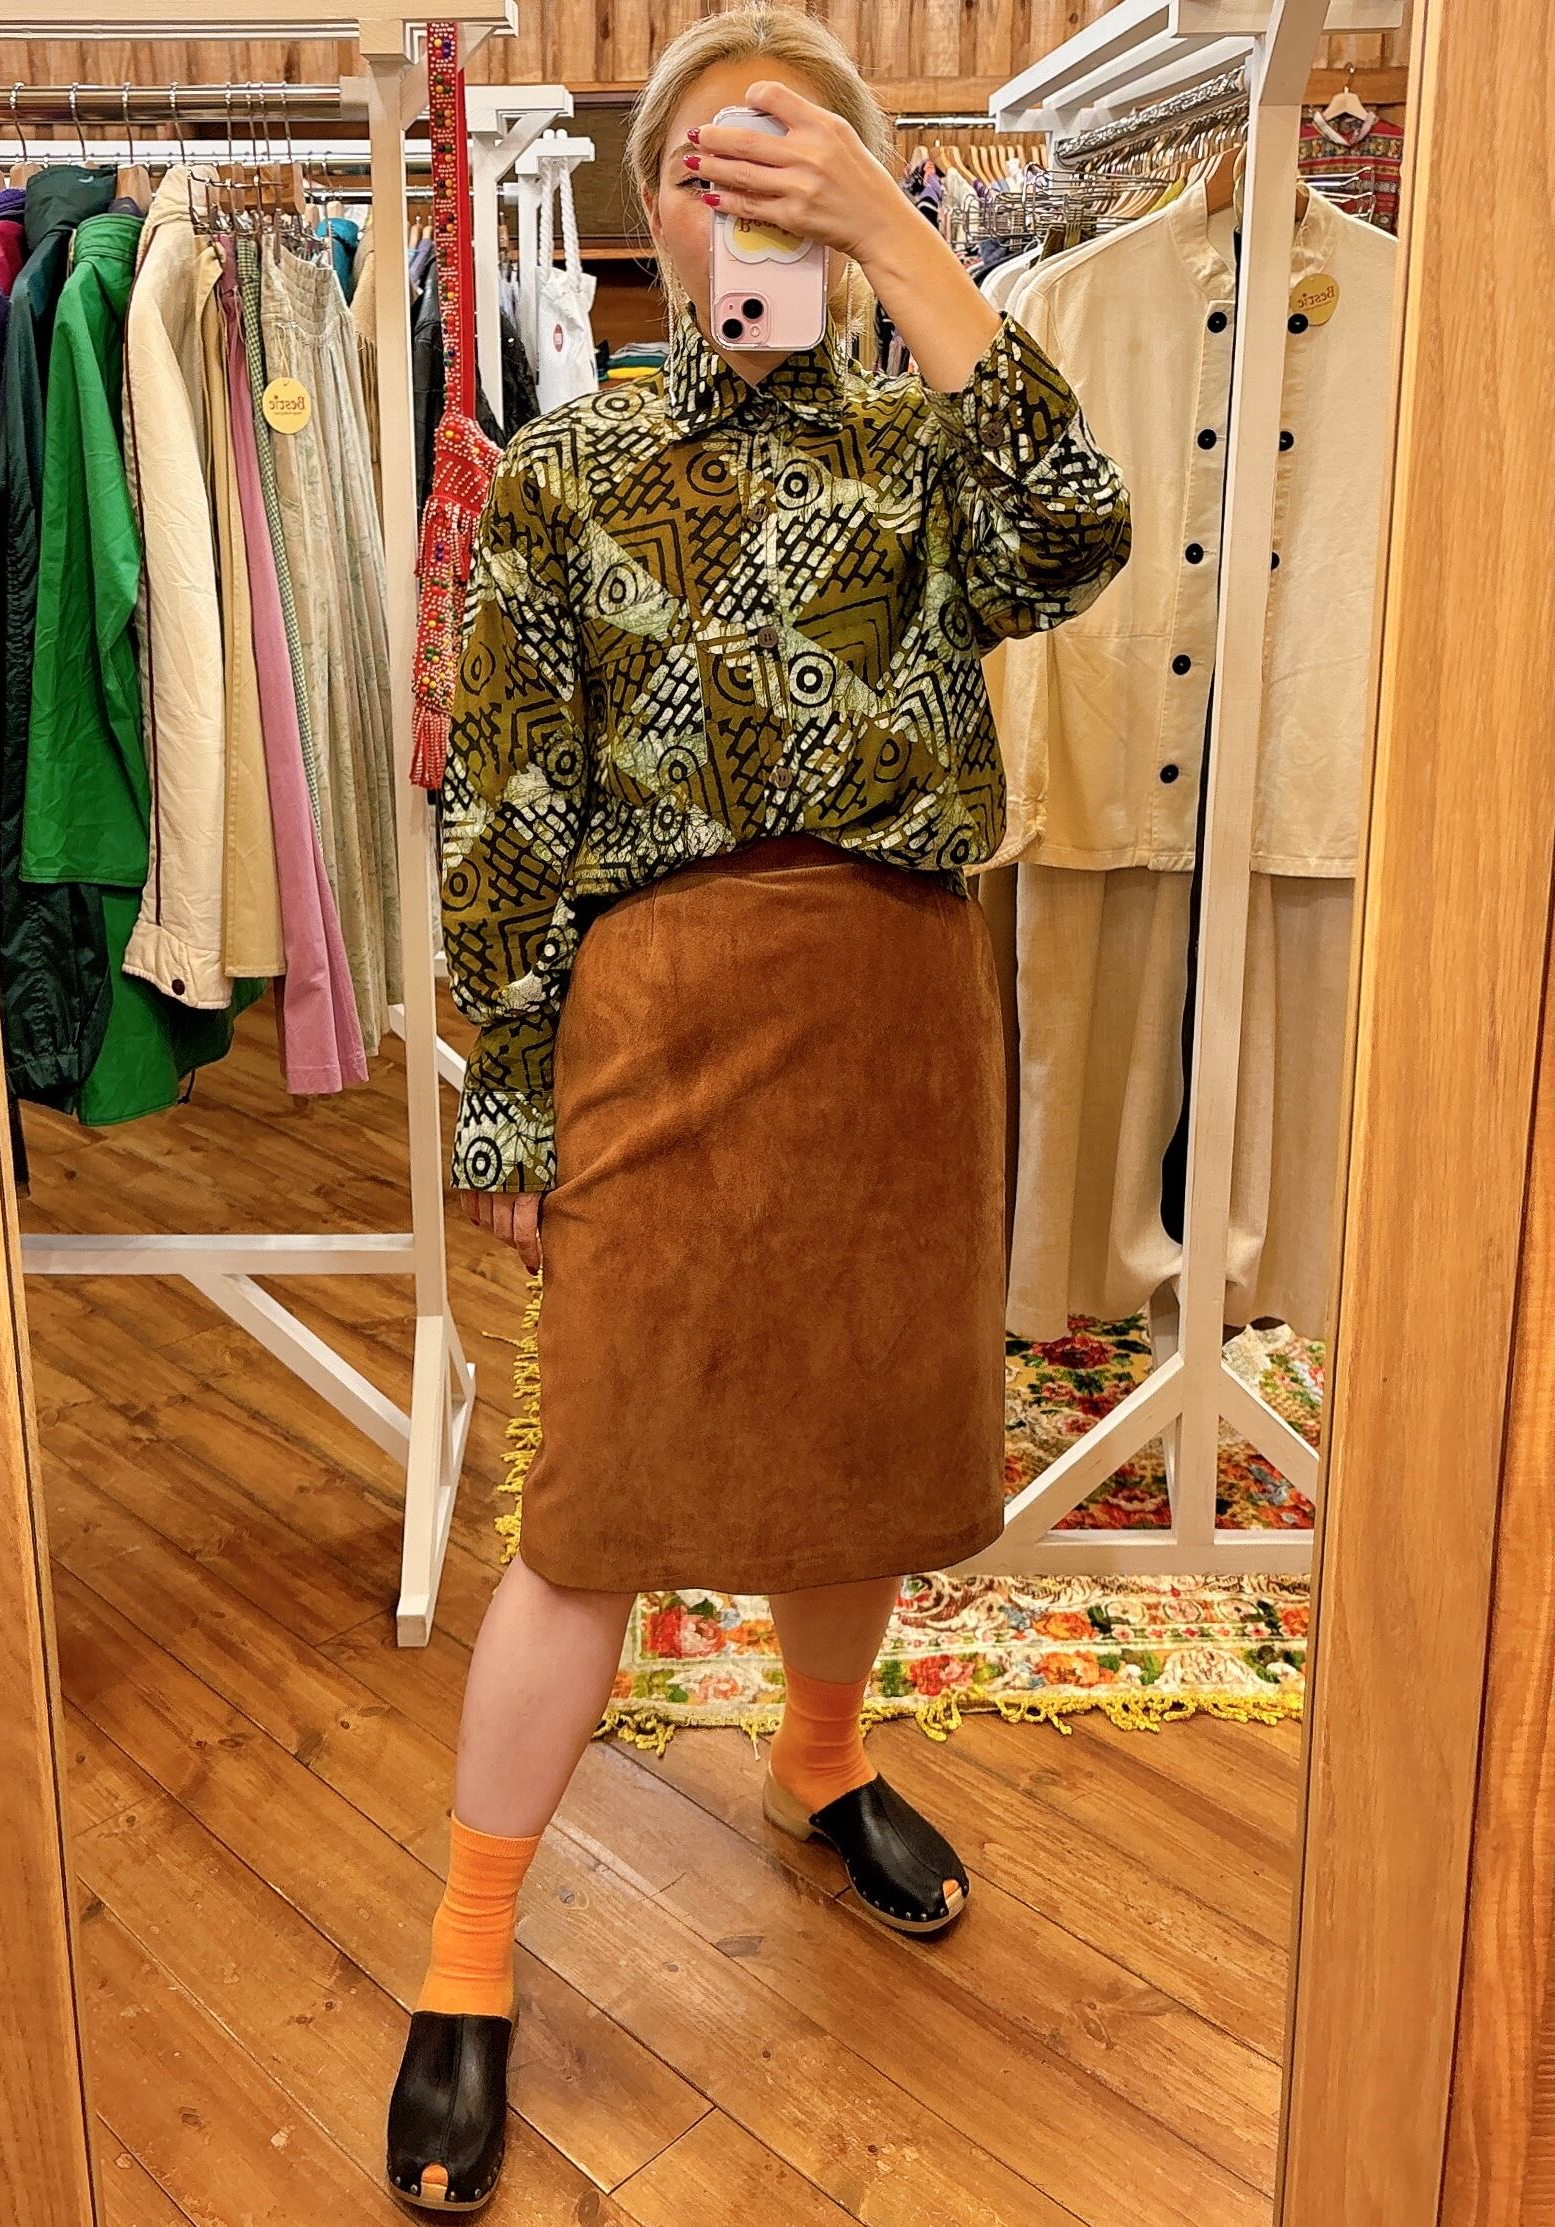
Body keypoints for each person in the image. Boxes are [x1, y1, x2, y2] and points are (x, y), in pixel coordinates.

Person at [386, 6, 1130, 2210]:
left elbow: (1074, 540)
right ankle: (465, 1953)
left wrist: (905, 243)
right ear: (651, 203)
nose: (750, 206)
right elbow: (505, 804)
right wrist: (507, 1107)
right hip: (660, 1013)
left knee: (858, 1460)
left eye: (797, 164)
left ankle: (817, 1763)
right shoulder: (573, 469)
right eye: (712, 168)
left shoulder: (926, 448)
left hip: (898, 1011)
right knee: (594, 1504)